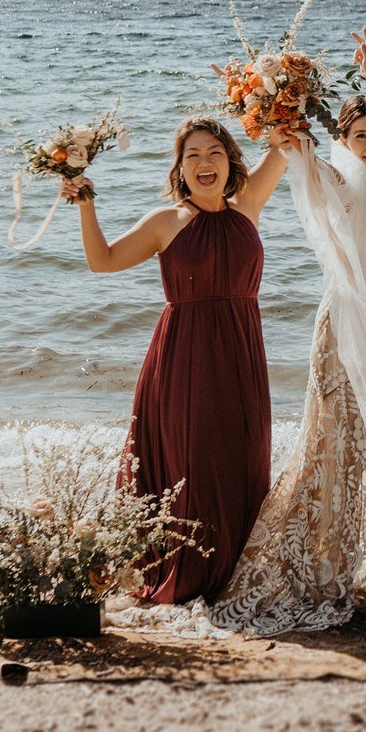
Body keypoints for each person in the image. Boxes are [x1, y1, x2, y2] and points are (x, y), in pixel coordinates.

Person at [211, 80, 366, 634]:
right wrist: (278, 117)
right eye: (360, 135)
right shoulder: (343, 181)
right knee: (337, 454)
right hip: (347, 337)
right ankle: (328, 574)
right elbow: (306, 164)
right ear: (345, 141)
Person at [64, 117, 286, 604]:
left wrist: (275, 90)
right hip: (186, 356)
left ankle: (232, 569)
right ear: (179, 169)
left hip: (244, 352)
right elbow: (102, 261)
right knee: (195, 457)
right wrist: (85, 200)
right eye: (192, 156)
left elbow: (288, 136)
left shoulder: (248, 205)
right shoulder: (167, 221)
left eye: (214, 153)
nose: (204, 163)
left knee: (244, 456)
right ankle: (190, 570)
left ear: (231, 160)